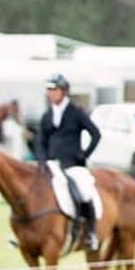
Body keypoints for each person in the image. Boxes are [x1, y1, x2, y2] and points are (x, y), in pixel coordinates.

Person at [35, 73, 102, 251]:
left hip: (73, 165)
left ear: (63, 91)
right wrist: (42, 160)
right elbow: (40, 141)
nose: (50, 93)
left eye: (54, 90)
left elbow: (95, 134)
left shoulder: (76, 113)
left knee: (85, 194)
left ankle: (91, 233)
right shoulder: (47, 115)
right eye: (49, 90)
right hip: (51, 165)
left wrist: (84, 155)